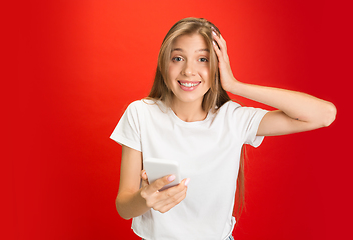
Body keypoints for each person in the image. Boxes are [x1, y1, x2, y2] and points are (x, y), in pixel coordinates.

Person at [110, 17, 336, 240]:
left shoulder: (233, 119)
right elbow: (124, 206)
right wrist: (145, 198)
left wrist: (234, 85)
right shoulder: (140, 113)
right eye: (178, 58)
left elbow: (324, 115)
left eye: (203, 59)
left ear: (218, 66)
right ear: (163, 64)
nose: (189, 70)